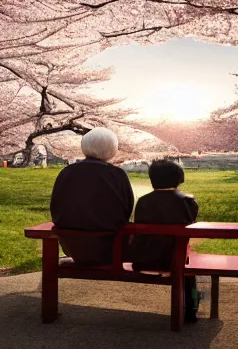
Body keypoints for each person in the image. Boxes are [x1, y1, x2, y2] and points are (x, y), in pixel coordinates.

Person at [128, 159, 200, 322]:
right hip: (174, 260)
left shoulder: (143, 202)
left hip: (143, 261)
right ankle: (191, 308)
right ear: (180, 178)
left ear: (152, 179)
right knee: (187, 268)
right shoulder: (188, 202)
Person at [50, 127, 134, 265]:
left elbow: (56, 207)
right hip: (110, 246)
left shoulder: (66, 172)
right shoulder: (117, 175)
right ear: (112, 149)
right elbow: (127, 209)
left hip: (71, 245)